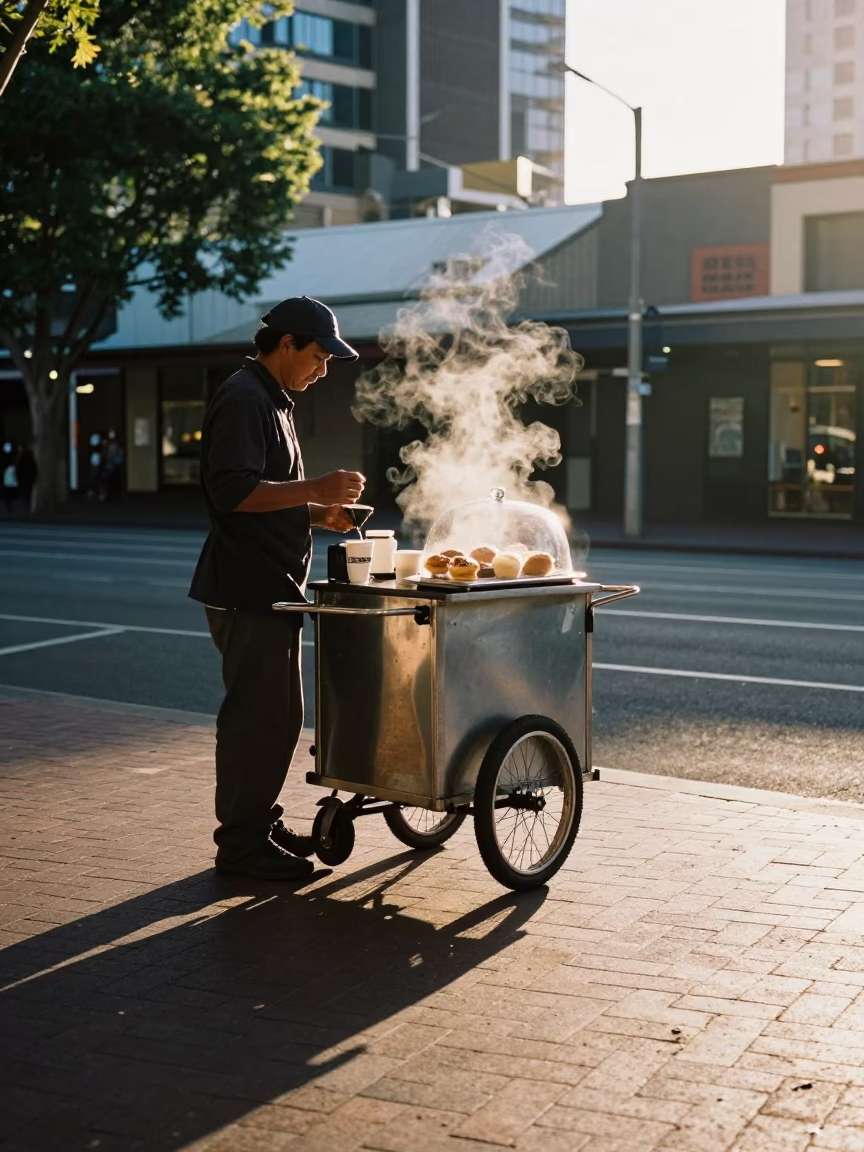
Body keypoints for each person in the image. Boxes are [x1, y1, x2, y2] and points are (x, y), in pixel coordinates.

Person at [189, 297, 366, 881]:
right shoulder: (245, 398)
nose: (323, 369)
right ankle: (240, 847)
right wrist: (316, 487)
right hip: (248, 586)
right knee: (257, 718)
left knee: (278, 716)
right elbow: (235, 492)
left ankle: (256, 824)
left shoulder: (271, 399)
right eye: (318, 356)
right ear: (286, 344)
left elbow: (265, 500)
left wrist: (319, 513)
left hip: (268, 583)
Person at [15, 444, 37, 514]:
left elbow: (18, 468)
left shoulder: (21, 457)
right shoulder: (30, 457)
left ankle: (25, 506)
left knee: (25, 492)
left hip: (24, 478)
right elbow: (34, 468)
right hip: (29, 478)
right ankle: (27, 505)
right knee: (28, 492)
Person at [2, 442, 17, 516]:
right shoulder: (9, 457)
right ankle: (8, 504)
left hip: (9, 474)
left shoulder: (9, 457)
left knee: (8, 490)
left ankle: (9, 504)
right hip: (8, 473)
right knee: (8, 490)